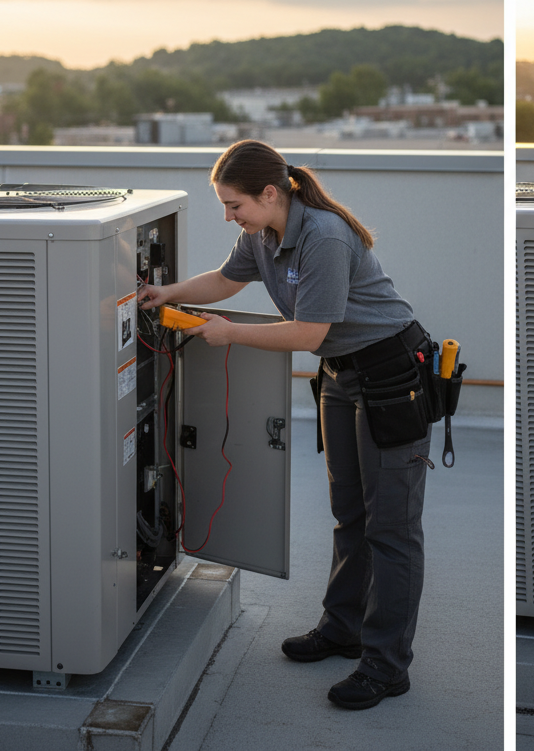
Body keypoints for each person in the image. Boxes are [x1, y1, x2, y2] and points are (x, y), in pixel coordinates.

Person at [138, 139, 433, 708]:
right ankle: (343, 627)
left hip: (391, 377)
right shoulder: (262, 233)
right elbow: (226, 280)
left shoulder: (322, 236)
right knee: (350, 513)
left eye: (234, 205)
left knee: (390, 527)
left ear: (269, 193)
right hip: (343, 378)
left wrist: (227, 333)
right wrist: (167, 293)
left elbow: (306, 333)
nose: (229, 216)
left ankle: (386, 665)